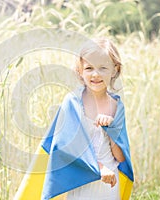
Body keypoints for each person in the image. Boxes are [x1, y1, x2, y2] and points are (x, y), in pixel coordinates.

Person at [41, 38, 134, 200]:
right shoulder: (72, 102)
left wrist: (110, 128)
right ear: (80, 71)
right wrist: (100, 168)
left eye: (103, 68)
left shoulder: (116, 106)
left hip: (109, 183)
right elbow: (67, 150)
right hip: (81, 182)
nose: (96, 74)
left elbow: (120, 157)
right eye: (89, 68)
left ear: (114, 70)